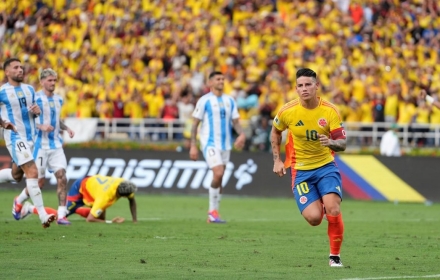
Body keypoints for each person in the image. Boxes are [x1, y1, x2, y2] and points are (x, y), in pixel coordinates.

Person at [271, 68, 347, 267]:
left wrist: (330, 142)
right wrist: (277, 160)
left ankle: (334, 256)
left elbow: (343, 144)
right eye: (300, 86)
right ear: (296, 89)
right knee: (314, 218)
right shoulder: (287, 111)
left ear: (316, 86)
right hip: (301, 171)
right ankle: (320, 201)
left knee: (333, 208)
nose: (304, 89)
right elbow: (275, 132)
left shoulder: (329, 110)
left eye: (308, 84)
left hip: (325, 167)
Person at [0, 58, 57, 228]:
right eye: (16, 67)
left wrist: (37, 112)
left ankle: (21, 203)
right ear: (7, 72)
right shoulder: (2, 92)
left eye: (21, 67)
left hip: (31, 138)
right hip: (15, 137)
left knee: (17, 176)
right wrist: (3, 123)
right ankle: (42, 215)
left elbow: (32, 112)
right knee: (33, 172)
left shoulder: (30, 89)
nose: (20, 70)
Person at [189, 71, 246, 223]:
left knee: (219, 179)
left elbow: (236, 122)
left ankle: (214, 214)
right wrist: (193, 146)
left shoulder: (230, 100)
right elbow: (194, 124)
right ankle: (212, 212)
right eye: (218, 79)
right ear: (210, 83)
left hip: (225, 144)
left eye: (223, 78)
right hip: (210, 143)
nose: (221, 81)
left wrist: (241, 134)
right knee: (218, 173)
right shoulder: (204, 101)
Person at [33, 68, 75, 225]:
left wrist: (67, 128)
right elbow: (27, 121)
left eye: (54, 80)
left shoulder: (58, 99)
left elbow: (57, 120)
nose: (52, 83)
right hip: (40, 145)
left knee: (62, 177)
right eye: (50, 80)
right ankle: (21, 203)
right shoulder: (35, 98)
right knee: (39, 183)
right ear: (42, 81)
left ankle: (62, 215)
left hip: (56, 145)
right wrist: (41, 126)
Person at [21, 175, 138, 224]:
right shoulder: (104, 197)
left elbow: (132, 200)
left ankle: (75, 209)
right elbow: (90, 220)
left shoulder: (123, 183)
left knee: (99, 216)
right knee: (60, 216)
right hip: (80, 188)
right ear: (122, 195)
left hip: (93, 188)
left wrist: (135, 220)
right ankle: (30, 208)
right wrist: (110, 222)